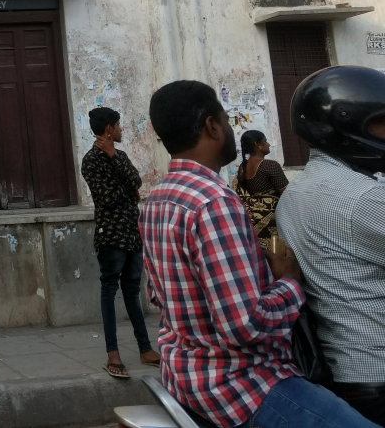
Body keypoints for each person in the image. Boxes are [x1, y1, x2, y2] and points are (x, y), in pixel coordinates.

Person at [141, 80, 375, 428]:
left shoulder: (157, 198)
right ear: (212, 125)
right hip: (243, 384)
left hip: (186, 374)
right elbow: (243, 325)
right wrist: (290, 283)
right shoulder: (217, 201)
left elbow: (158, 294)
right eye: (225, 115)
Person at [276, 66, 385, 425]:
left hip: (343, 371)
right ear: (346, 126)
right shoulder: (365, 199)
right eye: (379, 123)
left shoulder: (294, 193)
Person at [80, 107, 160, 379]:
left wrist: (116, 158)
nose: (121, 130)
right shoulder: (91, 161)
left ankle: (145, 349)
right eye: (118, 125)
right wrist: (127, 188)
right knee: (109, 290)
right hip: (111, 235)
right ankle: (112, 353)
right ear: (108, 130)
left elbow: (136, 181)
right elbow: (108, 198)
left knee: (132, 291)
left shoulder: (119, 156)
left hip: (131, 232)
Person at [232, 130, 289, 251]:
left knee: (262, 258)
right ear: (258, 144)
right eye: (265, 141)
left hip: (253, 222)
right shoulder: (269, 165)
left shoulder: (242, 167)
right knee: (278, 256)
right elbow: (287, 194)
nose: (268, 144)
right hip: (273, 223)